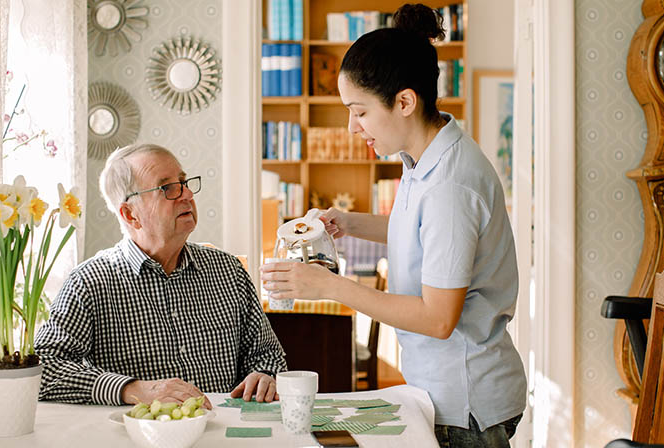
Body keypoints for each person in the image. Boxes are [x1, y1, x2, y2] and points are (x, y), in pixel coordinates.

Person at [261, 4, 526, 447]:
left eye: (359, 112)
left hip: (467, 403)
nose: (350, 127)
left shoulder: (450, 185)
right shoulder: (425, 158)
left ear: (404, 101)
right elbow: (421, 231)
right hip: (447, 390)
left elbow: (439, 319)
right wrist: (347, 223)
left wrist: (329, 286)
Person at [35, 143, 287, 408]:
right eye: (168, 188)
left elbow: (268, 355)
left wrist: (265, 376)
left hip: (225, 433)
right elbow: (45, 370)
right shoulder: (89, 282)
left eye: (183, 181)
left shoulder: (229, 272)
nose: (187, 194)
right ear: (130, 215)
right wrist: (132, 390)